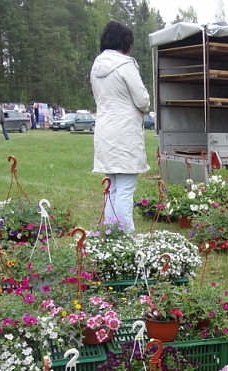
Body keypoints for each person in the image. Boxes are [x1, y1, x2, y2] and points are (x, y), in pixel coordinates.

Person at [90, 20, 150, 234]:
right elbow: (142, 100)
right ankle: (125, 237)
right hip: (125, 132)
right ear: (126, 43)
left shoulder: (96, 67)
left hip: (105, 130)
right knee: (125, 189)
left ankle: (111, 233)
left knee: (113, 188)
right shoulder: (125, 65)